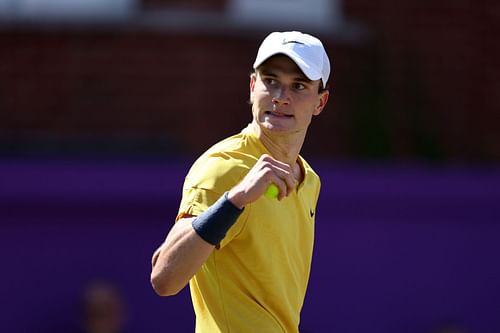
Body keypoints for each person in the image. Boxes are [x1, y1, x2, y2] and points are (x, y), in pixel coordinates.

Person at [150, 31, 331, 332]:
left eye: (298, 86)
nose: (280, 97)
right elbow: (164, 278)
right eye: (270, 81)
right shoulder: (222, 169)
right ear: (252, 86)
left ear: (320, 102)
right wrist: (236, 199)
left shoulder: (308, 179)